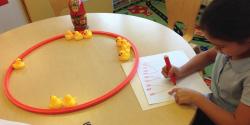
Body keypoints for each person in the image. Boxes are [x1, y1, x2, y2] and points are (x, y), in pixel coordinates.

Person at [161, 0, 250, 125]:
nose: (217, 50)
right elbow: (208, 56)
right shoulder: (231, 48)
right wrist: (181, 71)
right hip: (213, 103)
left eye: (221, 46)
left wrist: (199, 99)